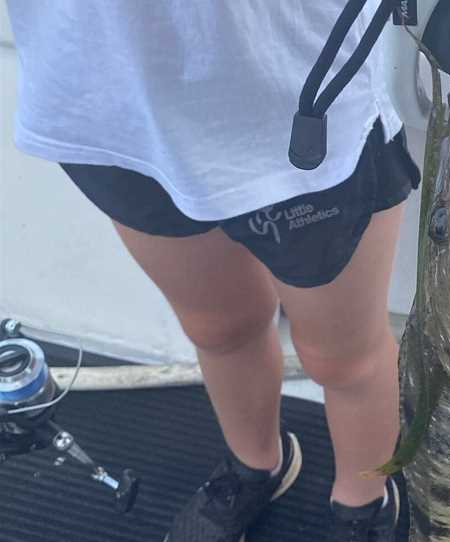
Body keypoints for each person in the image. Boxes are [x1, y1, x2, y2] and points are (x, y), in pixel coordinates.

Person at [5, 2, 420, 541]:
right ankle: (256, 465)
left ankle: (364, 503)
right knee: (217, 327)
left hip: (298, 95)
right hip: (106, 104)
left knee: (345, 358)